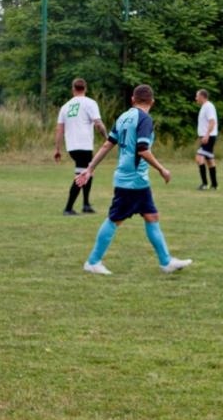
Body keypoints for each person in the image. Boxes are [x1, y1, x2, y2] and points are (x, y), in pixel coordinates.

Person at [75, 84, 192, 275]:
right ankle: (93, 261)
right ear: (152, 102)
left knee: (151, 216)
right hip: (133, 180)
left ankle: (166, 262)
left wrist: (89, 168)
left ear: (132, 99)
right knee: (115, 219)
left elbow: (107, 145)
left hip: (132, 179)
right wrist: (162, 169)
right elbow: (143, 149)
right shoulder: (144, 119)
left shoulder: (123, 117)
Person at [53, 77, 105, 215]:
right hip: (84, 145)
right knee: (82, 174)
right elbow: (98, 123)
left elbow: (59, 129)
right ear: (85, 89)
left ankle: (86, 204)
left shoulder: (65, 107)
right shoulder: (90, 103)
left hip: (72, 147)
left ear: (73, 89)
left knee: (89, 172)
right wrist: (107, 138)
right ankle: (68, 208)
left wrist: (57, 149)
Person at [194, 89, 219, 190]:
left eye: (197, 96)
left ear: (202, 96)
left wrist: (207, 135)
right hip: (206, 136)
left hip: (209, 137)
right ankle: (214, 184)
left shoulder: (208, 106)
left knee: (199, 158)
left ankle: (204, 184)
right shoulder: (204, 107)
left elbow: (212, 122)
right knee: (209, 160)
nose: (196, 98)